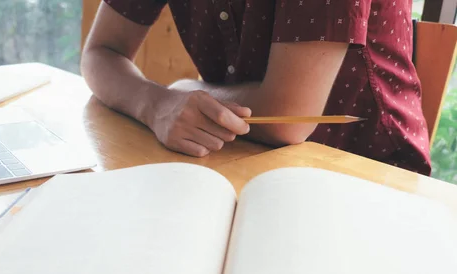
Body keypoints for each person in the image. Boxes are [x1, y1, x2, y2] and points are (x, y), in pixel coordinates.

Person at [81, 0, 430, 175]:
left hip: (371, 172)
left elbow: (287, 117)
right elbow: (100, 53)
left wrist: (189, 89)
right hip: (244, 156)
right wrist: (156, 103)